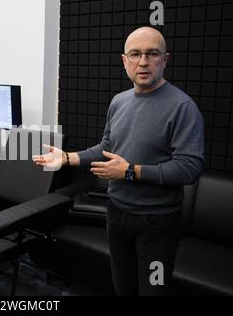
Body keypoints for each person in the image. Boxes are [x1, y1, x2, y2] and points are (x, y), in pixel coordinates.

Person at [33, 27, 204, 295]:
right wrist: (67, 158)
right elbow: (107, 147)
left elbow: (190, 169)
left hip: (157, 224)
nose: (143, 62)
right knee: (122, 288)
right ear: (124, 60)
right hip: (117, 216)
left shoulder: (183, 107)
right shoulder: (119, 101)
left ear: (165, 59)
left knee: (153, 292)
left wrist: (129, 172)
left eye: (152, 54)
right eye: (135, 54)